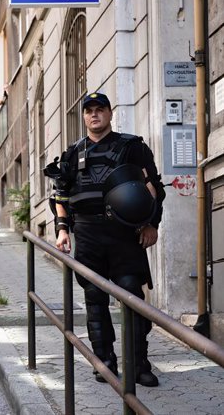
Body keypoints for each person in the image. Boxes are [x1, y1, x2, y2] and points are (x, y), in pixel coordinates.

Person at [44, 93, 165, 387]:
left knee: (131, 296)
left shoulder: (132, 147)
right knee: (95, 301)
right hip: (87, 234)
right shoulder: (73, 153)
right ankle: (104, 363)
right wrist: (61, 231)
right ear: (84, 117)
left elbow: (154, 188)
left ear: (110, 113)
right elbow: (60, 195)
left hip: (124, 233)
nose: (95, 115)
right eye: (89, 111)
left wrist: (151, 224)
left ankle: (139, 365)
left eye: (100, 110)